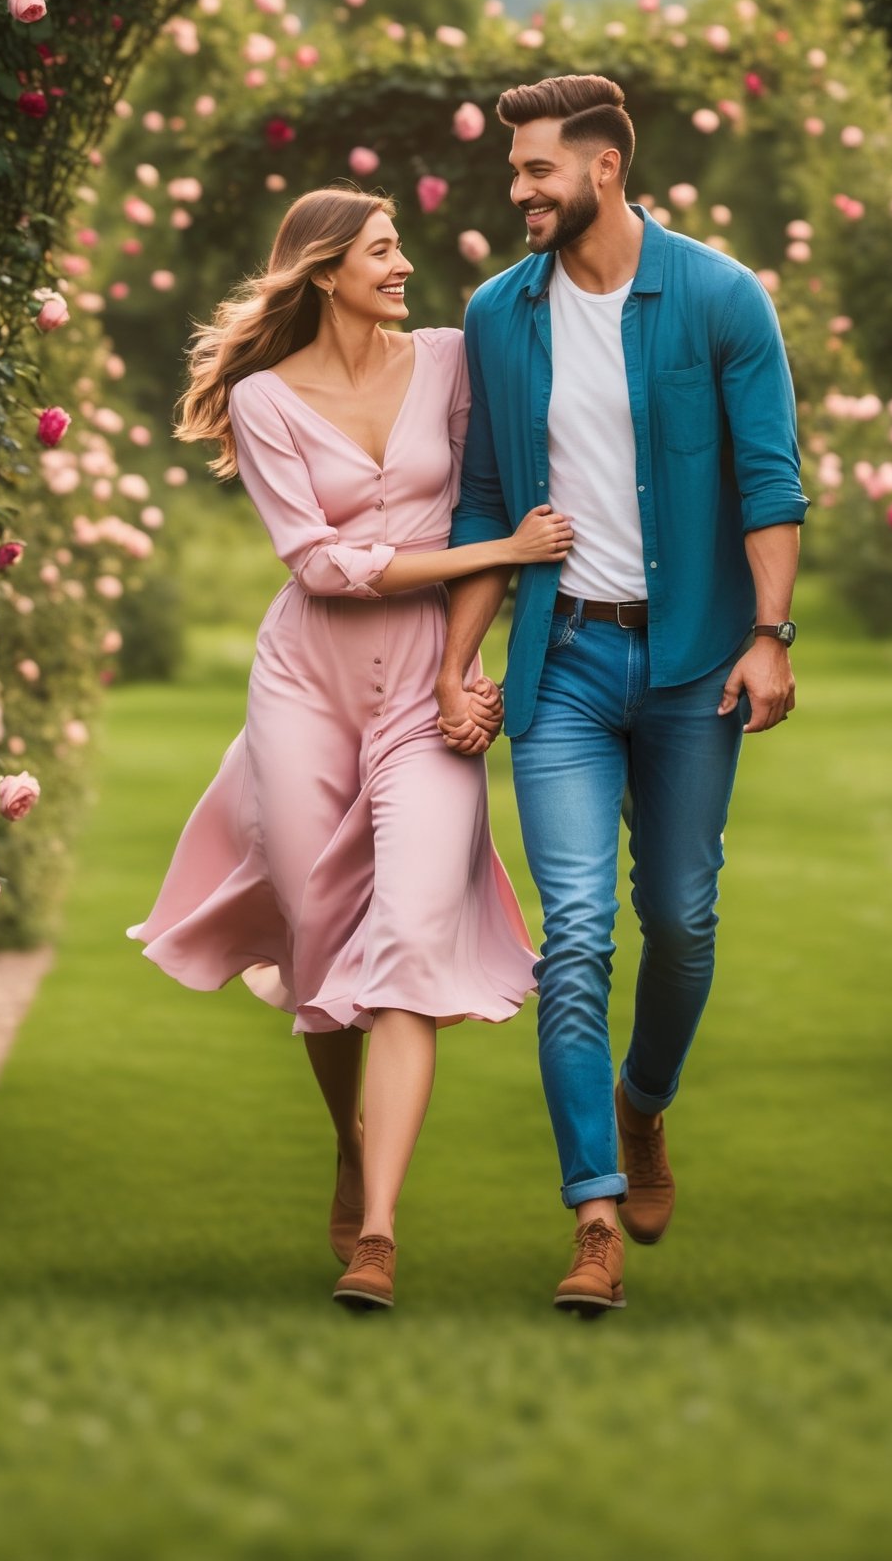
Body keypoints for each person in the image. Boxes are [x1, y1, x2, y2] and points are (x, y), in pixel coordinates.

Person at [128, 188, 568, 1311]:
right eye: (382, 250)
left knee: (413, 929)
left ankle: (376, 1234)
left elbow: (485, 511)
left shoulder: (453, 356)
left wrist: (471, 666)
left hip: (428, 674)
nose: (404, 264)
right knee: (320, 933)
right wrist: (497, 546)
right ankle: (346, 1135)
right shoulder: (264, 398)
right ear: (325, 271)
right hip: (306, 682)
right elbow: (319, 565)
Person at [435, 75, 808, 1316]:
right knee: (580, 934)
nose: (521, 189)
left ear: (604, 168)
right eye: (515, 171)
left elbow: (769, 481)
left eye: (539, 169)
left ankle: (645, 1105)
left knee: (684, 918)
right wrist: (457, 660)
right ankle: (592, 1212)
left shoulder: (716, 296)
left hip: (700, 660)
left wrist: (770, 635)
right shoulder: (499, 313)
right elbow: (486, 500)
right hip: (566, 667)